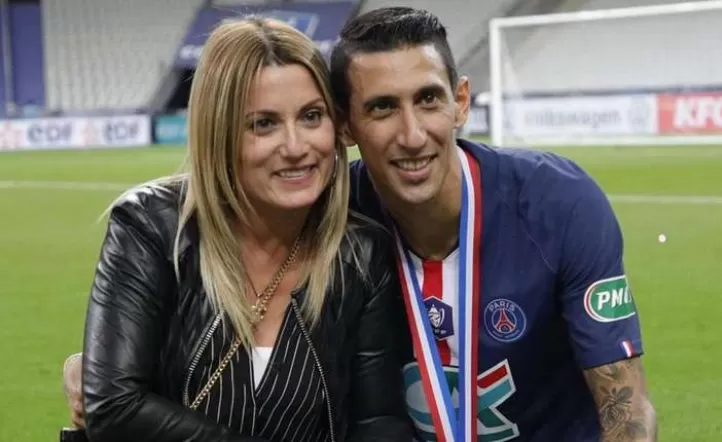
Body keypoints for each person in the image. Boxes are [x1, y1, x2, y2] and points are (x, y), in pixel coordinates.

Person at [64, 6, 658, 441]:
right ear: (348, 126)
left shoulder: (555, 206)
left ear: (460, 101)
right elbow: (128, 379)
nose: (412, 134)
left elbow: (626, 410)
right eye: (382, 108)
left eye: (428, 99)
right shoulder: (325, 215)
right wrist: (102, 368)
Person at [64, 16, 411, 442]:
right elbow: (115, 407)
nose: (296, 147)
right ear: (219, 133)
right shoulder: (153, 226)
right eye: (263, 123)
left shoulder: (360, 254)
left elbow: (378, 423)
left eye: (311, 116)